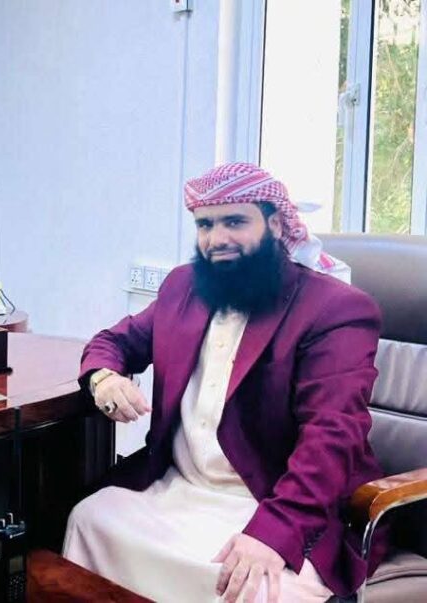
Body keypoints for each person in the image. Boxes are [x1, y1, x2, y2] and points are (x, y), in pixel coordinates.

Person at [63, 163, 385, 602]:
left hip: (272, 500)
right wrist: (104, 378)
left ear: (275, 225)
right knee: (89, 519)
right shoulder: (184, 287)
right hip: (180, 489)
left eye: (235, 222)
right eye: (205, 225)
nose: (216, 239)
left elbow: (332, 434)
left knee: (251, 587)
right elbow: (113, 342)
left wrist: (274, 533)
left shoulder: (333, 308)